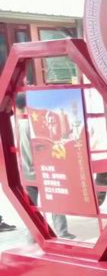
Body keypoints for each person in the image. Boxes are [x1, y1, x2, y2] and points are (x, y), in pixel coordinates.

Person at [15, 93, 74, 239]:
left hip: (27, 171)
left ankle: (33, 236)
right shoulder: (28, 124)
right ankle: (62, 232)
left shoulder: (19, 123)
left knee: (31, 208)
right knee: (54, 200)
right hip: (37, 169)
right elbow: (29, 149)